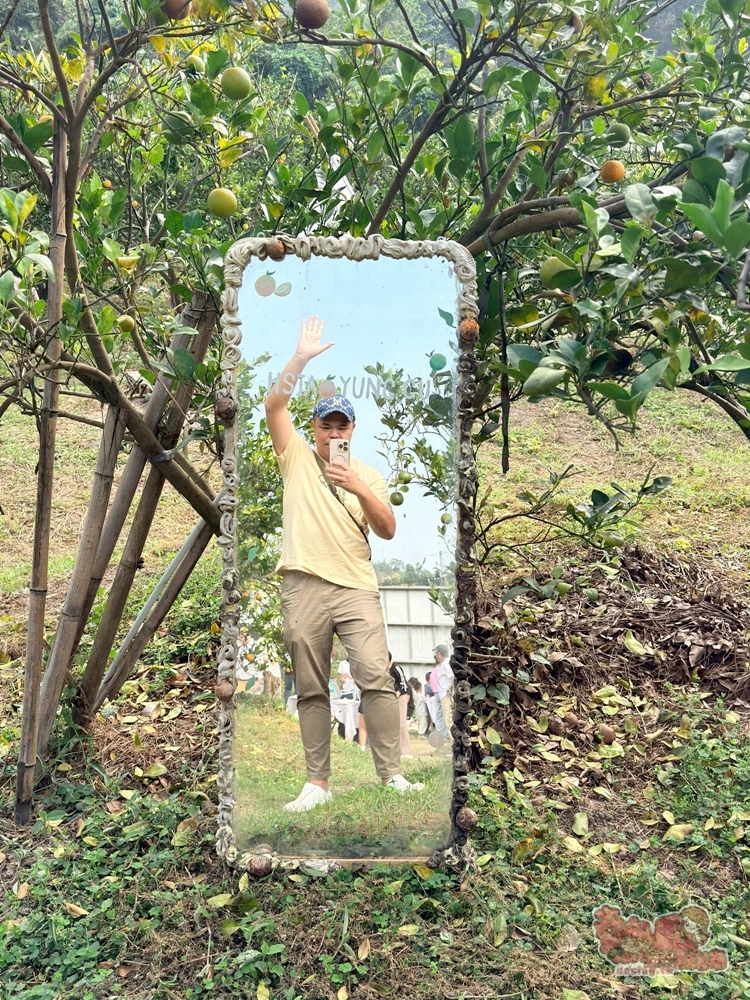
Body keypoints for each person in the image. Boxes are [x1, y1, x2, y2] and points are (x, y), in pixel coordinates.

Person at [265, 316, 424, 812]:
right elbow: (273, 404)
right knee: (311, 687)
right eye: (325, 423)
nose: (333, 431)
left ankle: (391, 775)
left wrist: (356, 486)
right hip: (304, 584)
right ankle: (317, 784)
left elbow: (388, 529)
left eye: (342, 424)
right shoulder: (292, 454)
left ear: (352, 429)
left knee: (375, 675)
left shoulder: (369, 474)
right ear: (313, 427)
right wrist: (302, 358)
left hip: (356, 587)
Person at [388, 652, 412, 758]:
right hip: (389, 698)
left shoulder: (396, 668)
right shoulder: (382, 669)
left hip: (400, 696)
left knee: (401, 724)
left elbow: (403, 684)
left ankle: (405, 750)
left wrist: (396, 694)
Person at [434, 644, 454, 738]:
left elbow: (451, 677)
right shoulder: (444, 664)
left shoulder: (446, 664)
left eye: (436, 653)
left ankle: (454, 744)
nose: (435, 655)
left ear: (439, 654)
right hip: (443, 694)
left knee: (448, 720)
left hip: (446, 694)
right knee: (447, 720)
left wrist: (449, 691)